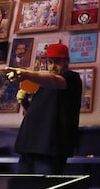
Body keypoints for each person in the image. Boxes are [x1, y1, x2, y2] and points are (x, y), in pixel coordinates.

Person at [7, 43, 82, 174]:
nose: (53, 66)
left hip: (50, 146)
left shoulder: (72, 78)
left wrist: (26, 74)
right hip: (29, 144)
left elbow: (55, 81)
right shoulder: (42, 84)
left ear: (67, 61)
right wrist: (24, 102)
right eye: (50, 62)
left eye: (57, 62)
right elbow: (33, 114)